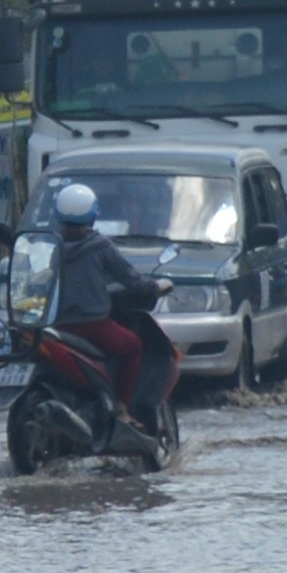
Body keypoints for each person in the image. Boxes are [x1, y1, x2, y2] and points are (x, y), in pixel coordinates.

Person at [39, 177, 177, 428]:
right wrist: (156, 287)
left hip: (54, 325)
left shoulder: (49, 247)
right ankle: (122, 407)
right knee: (134, 346)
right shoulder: (100, 246)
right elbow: (131, 280)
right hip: (93, 326)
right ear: (92, 217)